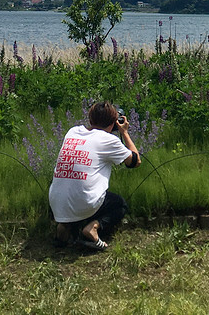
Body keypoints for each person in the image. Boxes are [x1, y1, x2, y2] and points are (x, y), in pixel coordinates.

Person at [49, 101, 141, 250]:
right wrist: (124, 132)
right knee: (119, 204)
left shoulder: (73, 132)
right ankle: (93, 228)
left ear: (90, 119)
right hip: (85, 203)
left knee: (69, 186)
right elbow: (135, 161)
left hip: (57, 203)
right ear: (114, 122)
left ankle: (64, 225)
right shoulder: (109, 140)